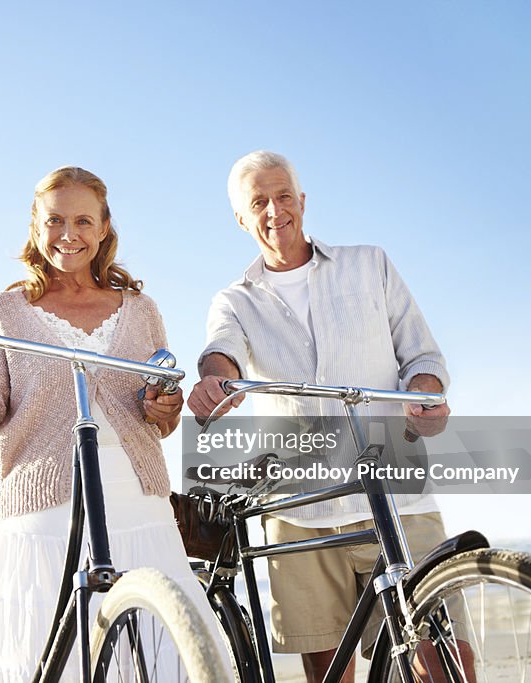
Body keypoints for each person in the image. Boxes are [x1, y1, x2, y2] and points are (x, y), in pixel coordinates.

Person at [0, 166, 227, 682]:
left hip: (139, 505)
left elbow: (160, 418)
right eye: (54, 221)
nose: (68, 235)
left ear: (104, 228)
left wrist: (165, 407)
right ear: (35, 226)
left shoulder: (141, 310)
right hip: (46, 513)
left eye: (82, 221)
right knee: (62, 661)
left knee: (164, 658)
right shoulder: (5, 312)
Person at [187, 151, 469, 683]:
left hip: (397, 492)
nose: (275, 210)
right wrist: (215, 380)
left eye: (283, 195)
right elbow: (220, 352)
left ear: (302, 200)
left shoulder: (371, 264)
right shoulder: (233, 300)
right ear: (241, 219)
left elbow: (423, 359)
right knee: (328, 673)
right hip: (300, 510)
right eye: (259, 202)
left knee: (446, 660)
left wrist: (425, 397)